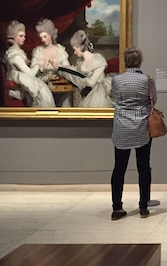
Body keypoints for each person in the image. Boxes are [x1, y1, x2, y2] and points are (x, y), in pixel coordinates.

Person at [110, 46, 155, 220]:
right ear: (140, 61)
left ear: (125, 61)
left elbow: (115, 98)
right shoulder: (146, 80)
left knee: (119, 168)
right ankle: (143, 206)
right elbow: (154, 99)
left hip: (121, 127)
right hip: (142, 127)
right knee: (143, 167)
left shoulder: (116, 80)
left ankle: (117, 208)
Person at [3, 20, 55, 108]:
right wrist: (38, 63)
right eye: (21, 36)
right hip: (17, 91)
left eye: (24, 36)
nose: (24, 38)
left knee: (43, 89)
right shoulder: (15, 56)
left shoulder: (16, 53)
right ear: (13, 37)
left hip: (21, 86)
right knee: (43, 92)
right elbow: (30, 74)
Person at [56, 30, 113, 108]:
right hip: (84, 94)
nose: (74, 52)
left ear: (80, 47)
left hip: (98, 94)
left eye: (75, 49)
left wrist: (80, 79)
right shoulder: (80, 62)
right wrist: (59, 67)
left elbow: (91, 82)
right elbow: (75, 73)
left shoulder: (98, 59)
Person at [30, 18, 71, 107]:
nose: (43, 40)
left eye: (45, 36)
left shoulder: (60, 50)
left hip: (59, 84)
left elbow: (67, 68)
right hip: (42, 84)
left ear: (51, 35)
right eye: (41, 37)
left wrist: (58, 66)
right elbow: (32, 71)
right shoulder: (38, 51)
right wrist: (41, 67)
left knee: (67, 96)